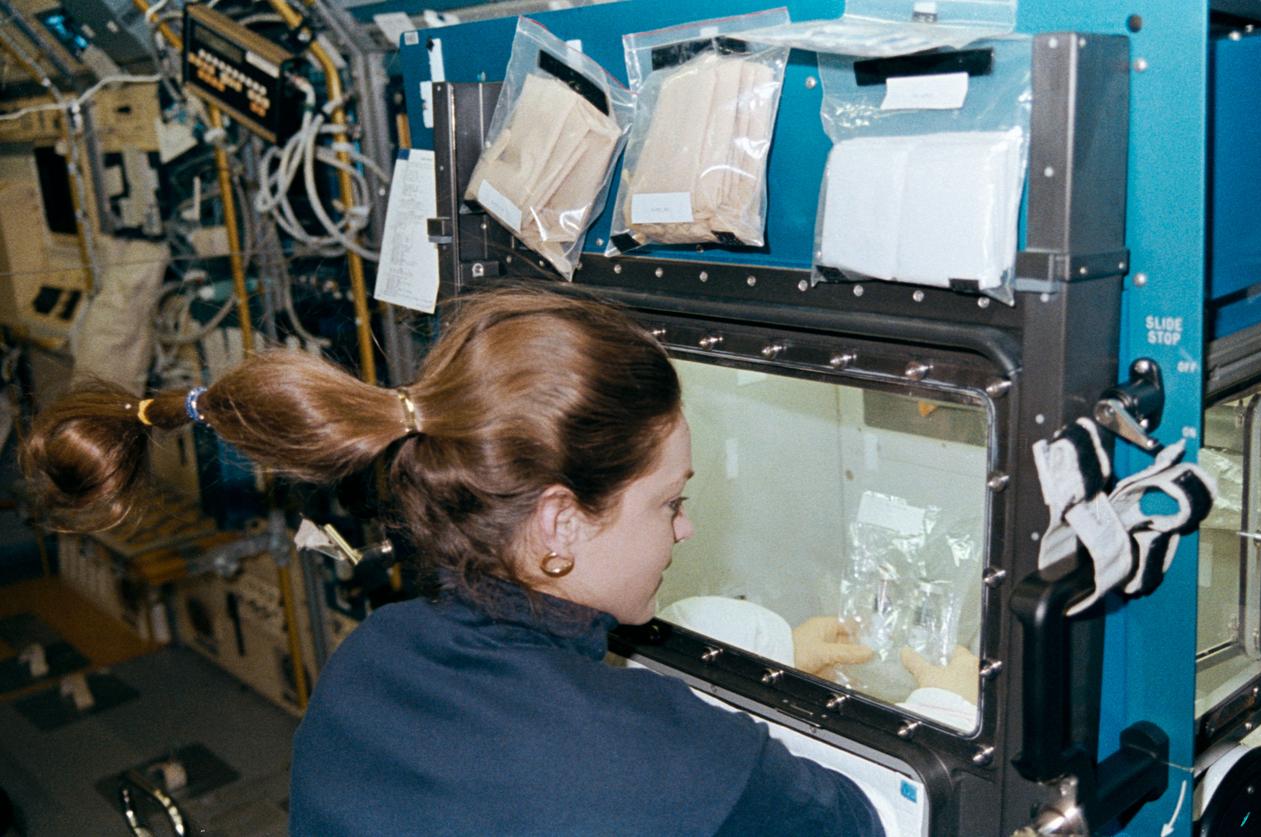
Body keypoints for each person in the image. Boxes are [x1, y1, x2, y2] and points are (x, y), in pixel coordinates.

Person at [22, 289, 886, 836]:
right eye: (668, 501)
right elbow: (857, 824)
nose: (684, 530)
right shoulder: (666, 757)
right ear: (558, 520)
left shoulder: (372, 658)